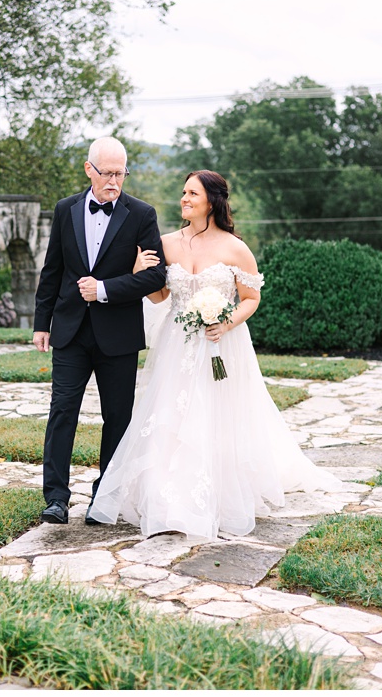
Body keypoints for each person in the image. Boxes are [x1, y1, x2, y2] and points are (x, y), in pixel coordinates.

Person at [87, 170, 340, 540]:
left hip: (221, 343)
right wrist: (140, 272)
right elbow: (160, 297)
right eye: (183, 193)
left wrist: (227, 322)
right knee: (170, 414)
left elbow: (251, 298)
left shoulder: (234, 248)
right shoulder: (167, 242)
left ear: (212, 201)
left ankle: (218, 488)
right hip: (178, 343)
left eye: (192, 193)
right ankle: (165, 493)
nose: (184, 199)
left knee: (216, 415)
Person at [33, 137, 167, 525]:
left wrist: (106, 288)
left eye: (120, 173)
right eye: (107, 173)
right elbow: (52, 270)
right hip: (70, 331)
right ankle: (55, 497)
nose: (114, 181)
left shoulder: (142, 214)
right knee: (62, 412)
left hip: (119, 334)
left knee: (118, 418)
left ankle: (103, 498)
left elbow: (157, 275)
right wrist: (43, 323)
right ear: (89, 169)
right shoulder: (65, 210)